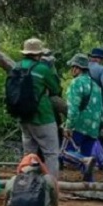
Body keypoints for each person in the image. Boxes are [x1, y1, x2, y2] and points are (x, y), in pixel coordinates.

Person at [17, 38, 62, 179]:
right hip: (43, 116)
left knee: (29, 153)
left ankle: (27, 184)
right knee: (51, 153)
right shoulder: (43, 69)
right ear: (39, 54)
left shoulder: (16, 67)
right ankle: (51, 187)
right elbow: (56, 89)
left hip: (23, 116)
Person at [64, 54, 103, 182]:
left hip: (79, 125)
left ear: (77, 69)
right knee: (87, 156)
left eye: (72, 67)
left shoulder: (76, 83)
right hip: (93, 127)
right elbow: (102, 110)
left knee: (65, 153)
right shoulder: (96, 87)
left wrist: (68, 126)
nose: (71, 70)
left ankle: (84, 163)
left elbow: (73, 107)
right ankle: (89, 183)